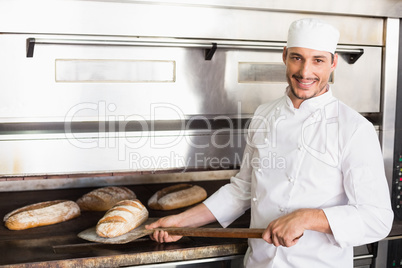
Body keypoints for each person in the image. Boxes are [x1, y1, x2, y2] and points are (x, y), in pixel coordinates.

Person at [146, 18, 394, 267]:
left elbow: (377, 218)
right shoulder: (264, 115)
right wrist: (181, 222)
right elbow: (243, 190)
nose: (305, 72)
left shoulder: (354, 128)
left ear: (333, 63)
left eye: (318, 60)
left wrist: (309, 218)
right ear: (284, 56)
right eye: (297, 57)